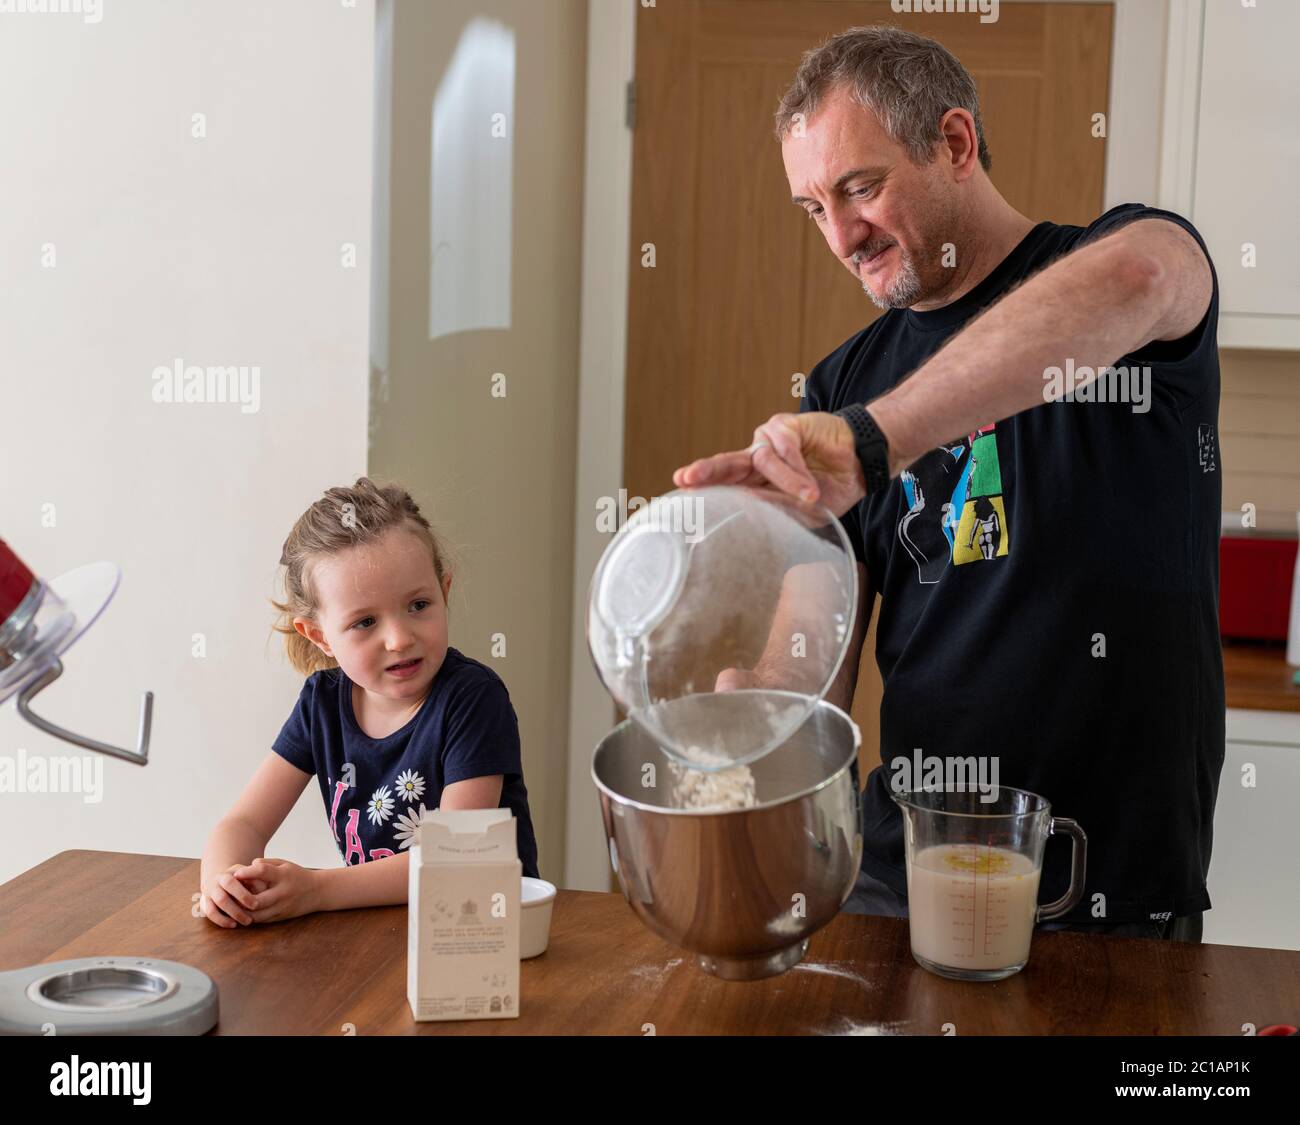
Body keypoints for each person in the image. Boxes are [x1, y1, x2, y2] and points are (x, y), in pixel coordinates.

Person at [675, 26, 1222, 942]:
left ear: (956, 143)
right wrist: (759, 708)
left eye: (860, 187)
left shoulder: (1124, 268)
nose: (843, 237)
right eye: (812, 208)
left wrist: (875, 441)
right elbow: (820, 644)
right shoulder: (841, 388)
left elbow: (1143, 275)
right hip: (906, 877)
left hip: (1110, 885)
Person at [198, 477, 539, 928]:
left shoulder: (473, 700)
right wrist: (223, 883)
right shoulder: (321, 705)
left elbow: (456, 857)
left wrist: (317, 889)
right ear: (320, 637)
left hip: (481, 941)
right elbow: (244, 824)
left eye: (418, 605)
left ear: (445, 591)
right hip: (379, 939)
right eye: (364, 622)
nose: (399, 639)